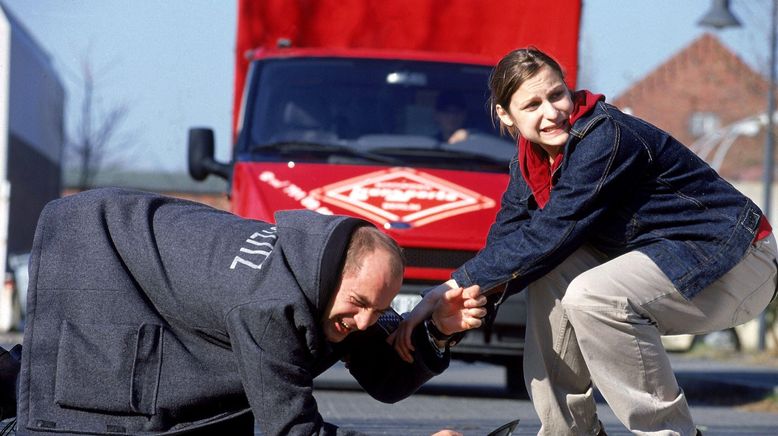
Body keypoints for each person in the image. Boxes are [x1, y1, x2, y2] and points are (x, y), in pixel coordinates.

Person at [393, 47, 778, 436]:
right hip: (671, 262)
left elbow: (554, 229)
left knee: (594, 295)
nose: (552, 112)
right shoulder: (528, 164)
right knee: (545, 268)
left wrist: (446, 287)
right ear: (506, 115)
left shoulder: (606, 138)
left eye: (556, 94)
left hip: (737, 262)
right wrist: (447, 322)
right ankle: (570, 431)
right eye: (532, 105)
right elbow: (507, 248)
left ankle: (668, 432)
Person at [10, 188, 486, 436]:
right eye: (361, 306)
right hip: (98, 251)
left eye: (380, 310)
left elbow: (383, 380)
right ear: (331, 277)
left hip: (155, 251)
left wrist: (436, 333)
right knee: (76, 406)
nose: (365, 322)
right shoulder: (269, 306)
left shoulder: (327, 271)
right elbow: (294, 431)